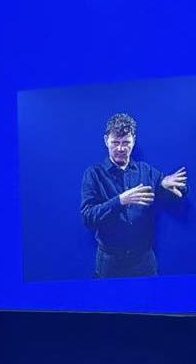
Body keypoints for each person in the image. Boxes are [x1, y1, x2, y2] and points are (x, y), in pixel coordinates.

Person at [80, 112, 187, 278]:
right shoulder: (94, 174)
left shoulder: (146, 171)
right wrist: (120, 200)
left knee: (150, 296)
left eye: (126, 143)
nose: (121, 148)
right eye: (115, 142)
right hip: (109, 262)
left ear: (134, 141)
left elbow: (179, 192)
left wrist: (167, 185)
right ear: (106, 141)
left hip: (144, 261)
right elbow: (88, 217)